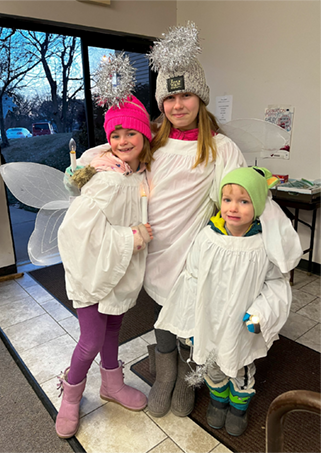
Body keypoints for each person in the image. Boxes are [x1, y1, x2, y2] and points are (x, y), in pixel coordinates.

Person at [67, 23, 302, 421]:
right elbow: (107, 152)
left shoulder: (221, 148)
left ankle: (189, 375)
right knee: (162, 316)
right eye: (170, 96)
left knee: (191, 314)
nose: (178, 105)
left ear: (201, 98)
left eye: (186, 95)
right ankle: (165, 374)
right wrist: (89, 166)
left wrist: (278, 243)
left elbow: (244, 194)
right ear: (161, 102)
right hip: (151, 248)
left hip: (192, 252)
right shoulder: (151, 140)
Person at [155, 166, 293, 436]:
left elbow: (276, 284)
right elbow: (192, 280)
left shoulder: (263, 246)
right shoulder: (207, 238)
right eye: (228, 199)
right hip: (208, 320)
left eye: (244, 201)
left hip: (241, 324)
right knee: (213, 367)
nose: (233, 208)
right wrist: (190, 325)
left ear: (259, 205)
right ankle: (218, 402)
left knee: (239, 367)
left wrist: (261, 314)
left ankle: (238, 408)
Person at [55, 94, 154, 439]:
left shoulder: (140, 173)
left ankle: (112, 383)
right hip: (91, 268)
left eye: (131, 133)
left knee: (114, 327)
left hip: (120, 267)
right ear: (107, 139)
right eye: (116, 135)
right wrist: (131, 238)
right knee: (91, 339)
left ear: (145, 136)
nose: (123, 141)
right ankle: (70, 394)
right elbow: (76, 230)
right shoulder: (104, 175)